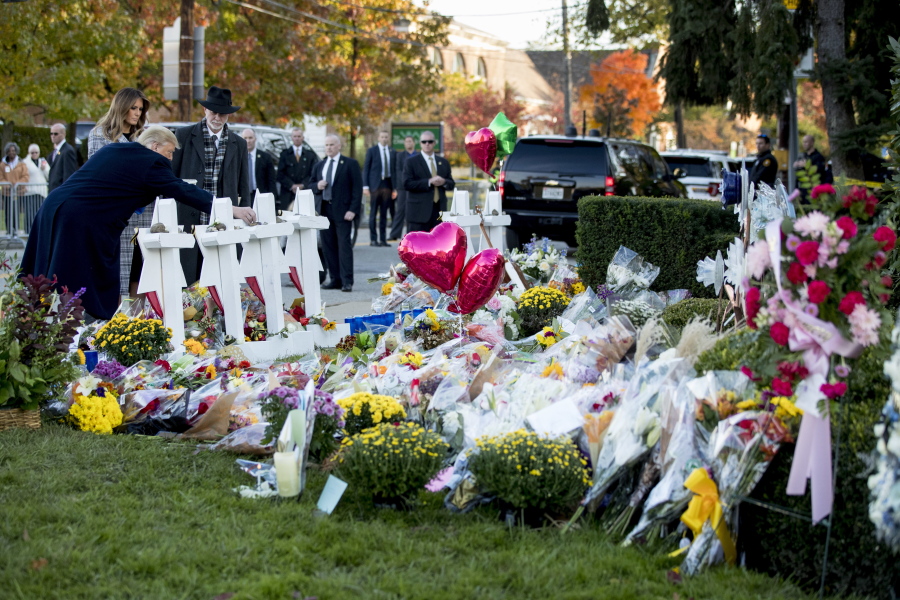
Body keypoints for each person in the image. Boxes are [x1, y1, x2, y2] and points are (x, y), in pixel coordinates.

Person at [20, 126, 256, 321]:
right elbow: (183, 190)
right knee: (77, 274)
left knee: (46, 269)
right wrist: (230, 208)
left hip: (53, 206)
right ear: (154, 146)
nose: (171, 159)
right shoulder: (151, 162)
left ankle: (34, 319)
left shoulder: (117, 150)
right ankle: (80, 326)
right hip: (80, 218)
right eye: (170, 151)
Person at [171, 85, 252, 284]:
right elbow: (171, 177)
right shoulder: (183, 135)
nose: (217, 118)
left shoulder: (238, 143)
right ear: (205, 110)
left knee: (220, 272)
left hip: (223, 215)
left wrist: (244, 211)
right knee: (189, 272)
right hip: (189, 213)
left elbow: (243, 183)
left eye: (223, 114)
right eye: (214, 112)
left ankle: (216, 311)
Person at [87, 87, 152, 301]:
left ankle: (138, 324)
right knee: (115, 273)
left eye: (140, 109)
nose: (137, 113)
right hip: (114, 214)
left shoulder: (143, 135)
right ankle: (114, 324)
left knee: (139, 271)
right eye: (133, 108)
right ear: (121, 107)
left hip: (143, 215)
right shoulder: (100, 135)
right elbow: (96, 175)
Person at [310, 134, 362, 293]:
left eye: (332, 144)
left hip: (343, 211)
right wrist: (317, 185)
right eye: (326, 145)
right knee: (328, 246)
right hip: (325, 211)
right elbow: (310, 185)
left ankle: (347, 281)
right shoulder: (320, 165)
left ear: (339, 146)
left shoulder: (349, 164)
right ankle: (334, 279)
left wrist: (353, 210)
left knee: (344, 247)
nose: (329, 148)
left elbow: (357, 189)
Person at [403, 131, 454, 232]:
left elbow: (451, 184)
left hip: (439, 212)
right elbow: (407, 184)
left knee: (438, 244)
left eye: (430, 141)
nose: (427, 144)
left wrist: (443, 182)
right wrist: (428, 182)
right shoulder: (411, 162)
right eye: (424, 141)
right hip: (419, 212)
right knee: (418, 245)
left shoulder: (443, 162)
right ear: (420, 143)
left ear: (434, 143)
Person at [363, 130, 394, 247]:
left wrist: (394, 188)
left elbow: (394, 171)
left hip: (387, 185)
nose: (384, 139)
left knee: (384, 214)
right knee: (373, 213)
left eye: (386, 137)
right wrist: (365, 186)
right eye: (382, 137)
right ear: (378, 138)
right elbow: (366, 168)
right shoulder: (372, 151)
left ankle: (383, 239)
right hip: (375, 185)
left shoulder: (392, 151)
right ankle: (373, 239)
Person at [277, 128, 319, 211]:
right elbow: (280, 174)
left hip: (304, 192)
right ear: (291, 138)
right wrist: (291, 185)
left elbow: (313, 174)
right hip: (288, 193)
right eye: (295, 136)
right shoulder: (284, 154)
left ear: (303, 138)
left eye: (299, 136)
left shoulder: (310, 155)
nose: (297, 138)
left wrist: (302, 185)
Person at [388, 135, 417, 242]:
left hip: (416, 187)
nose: (408, 143)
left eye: (410, 141)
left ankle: (412, 234)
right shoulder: (400, 156)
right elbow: (398, 171)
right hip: (403, 187)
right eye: (406, 142)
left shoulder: (418, 155)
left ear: (414, 143)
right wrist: (397, 187)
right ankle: (394, 234)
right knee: (400, 210)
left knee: (414, 211)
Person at [1, 142, 29, 233]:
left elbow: (25, 176)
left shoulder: (21, 163)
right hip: (7, 193)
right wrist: (8, 185)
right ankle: (9, 231)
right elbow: (1, 177)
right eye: (9, 151)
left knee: (16, 212)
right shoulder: (2, 164)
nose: (11, 152)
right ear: (7, 152)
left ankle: (16, 231)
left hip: (18, 192)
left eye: (13, 150)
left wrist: (17, 185)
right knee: (7, 213)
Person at [21, 144, 50, 230]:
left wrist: (44, 169)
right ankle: (28, 231)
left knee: (40, 212)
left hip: (41, 192)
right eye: (32, 152)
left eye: (36, 152)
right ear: (29, 153)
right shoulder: (25, 162)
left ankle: (39, 230)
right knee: (29, 213)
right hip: (30, 192)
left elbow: (49, 175)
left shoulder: (43, 161)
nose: (34, 154)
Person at [241, 128, 276, 196]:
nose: (248, 141)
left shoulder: (265, 157)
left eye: (250, 138)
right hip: (243, 196)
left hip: (261, 195)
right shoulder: (237, 158)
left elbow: (271, 180)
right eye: (245, 138)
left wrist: (272, 197)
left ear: (255, 139)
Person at [47, 123, 79, 192]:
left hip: (60, 192)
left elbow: (68, 174)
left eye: (56, 134)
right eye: (51, 133)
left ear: (63, 134)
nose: (53, 136)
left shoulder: (67, 151)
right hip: (54, 192)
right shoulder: (55, 152)